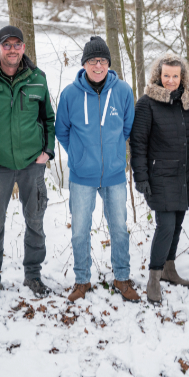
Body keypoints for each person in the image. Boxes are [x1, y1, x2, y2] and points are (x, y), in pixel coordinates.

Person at [0, 26, 56, 299]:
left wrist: (47, 152)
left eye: (17, 45)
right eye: (7, 45)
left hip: (32, 165)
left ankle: (33, 275)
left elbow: (48, 119)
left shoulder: (38, 79)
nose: (13, 50)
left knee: (35, 221)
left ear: (24, 48)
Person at [55, 36, 140, 303]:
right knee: (80, 229)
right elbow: (62, 130)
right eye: (92, 60)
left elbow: (127, 128)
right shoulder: (70, 94)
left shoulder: (123, 91)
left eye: (102, 60)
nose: (98, 65)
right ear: (84, 64)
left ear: (108, 63)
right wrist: (79, 156)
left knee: (118, 228)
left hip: (114, 175)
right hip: (82, 176)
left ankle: (122, 278)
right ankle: (82, 281)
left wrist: (115, 154)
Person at [130, 53, 189, 304]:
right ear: (158, 76)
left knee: (178, 224)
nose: (171, 80)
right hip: (160, 176)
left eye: (175, 76)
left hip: (185, 175)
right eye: (166, 75)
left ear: (183, 77)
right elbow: (138, 144)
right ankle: (153, 278)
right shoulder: (146, 104)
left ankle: (169, 270)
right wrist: (141, 177)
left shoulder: (188, 102)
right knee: (166, 226)